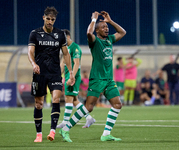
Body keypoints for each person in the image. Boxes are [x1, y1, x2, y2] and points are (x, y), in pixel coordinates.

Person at [59, 11, 126, 142]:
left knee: (117, 104)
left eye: (106, 28)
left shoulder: (110, 40)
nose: (106, 29)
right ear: (97, 31)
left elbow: (123, 32)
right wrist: (94, 20)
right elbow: (89, 33)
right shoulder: (94, 41)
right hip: (97, 79)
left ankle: (106, 134)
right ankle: (65, 128)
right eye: (103, 28)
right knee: (89, 107)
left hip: (108, 80)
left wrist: (110, 21)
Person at [28, 6, 75, 143]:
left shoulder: (60, 34)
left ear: (55, 20)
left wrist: (70, 72)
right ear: (43, 18)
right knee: (39, 104)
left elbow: (66, 54)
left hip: (54, 72)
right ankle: (39, 134)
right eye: (48, 19)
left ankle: (52, 131)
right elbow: (30, 51)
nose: (50, 21)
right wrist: (33, 64)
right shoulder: (34, 33)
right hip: (39, 73)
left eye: (52, 19)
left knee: (56, 99)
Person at [57, 29, 95, 129]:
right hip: (67, 76)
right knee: (74, 100)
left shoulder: (75, 48)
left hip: (73, 76)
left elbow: (76, 63)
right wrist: (58, 76)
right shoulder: (65, 48)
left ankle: (65, 122)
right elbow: (62, 63)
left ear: (68, 37)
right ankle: (89, 118)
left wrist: (72, 77)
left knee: (68, 98)